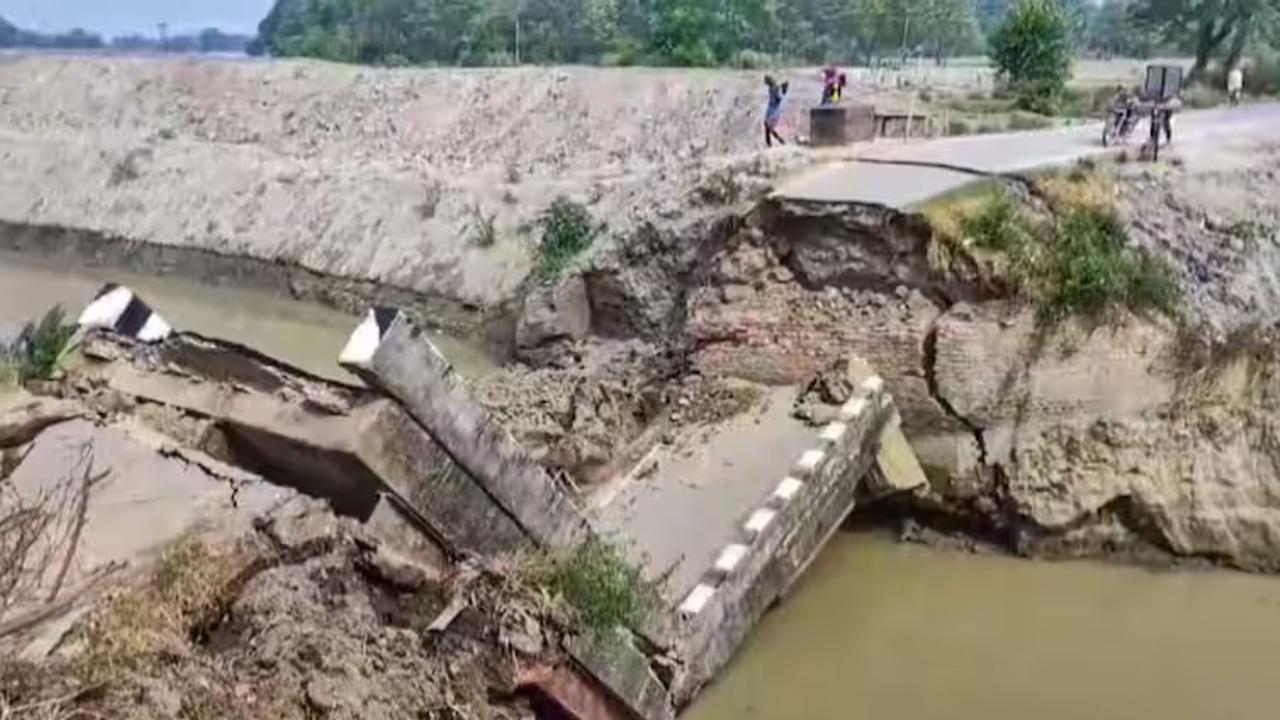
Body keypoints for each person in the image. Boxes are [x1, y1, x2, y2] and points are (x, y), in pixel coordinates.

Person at [764, 75, 789, 147]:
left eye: (766, 81)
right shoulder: (773, 87)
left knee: (767, 126)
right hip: (772, 108)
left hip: (774, 109)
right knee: (768, 126)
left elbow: (779, 98)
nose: (765, 83)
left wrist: (775, 98)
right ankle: (777, 141)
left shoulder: (774, 88)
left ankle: (773, 142)